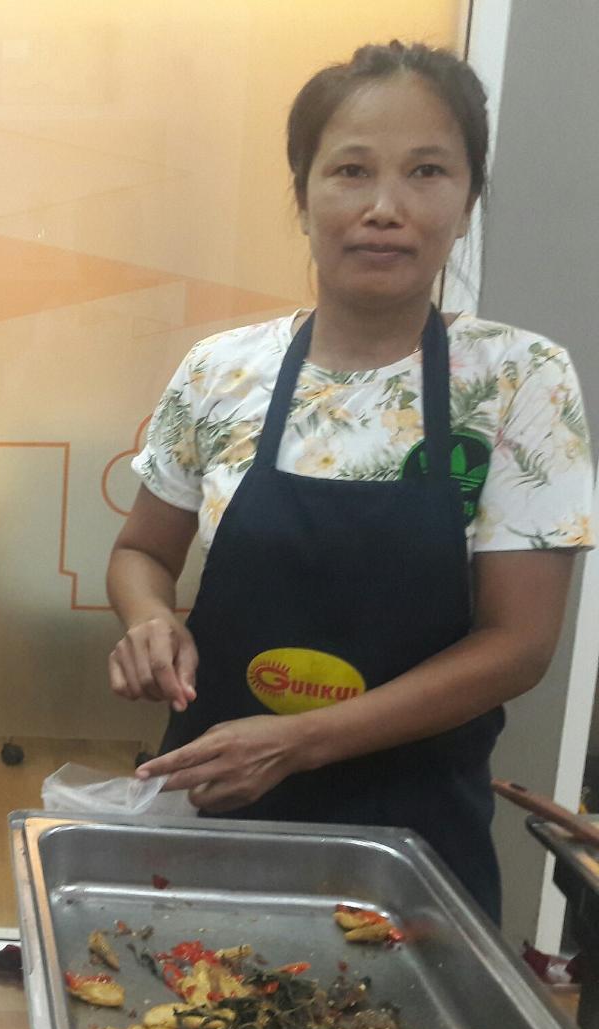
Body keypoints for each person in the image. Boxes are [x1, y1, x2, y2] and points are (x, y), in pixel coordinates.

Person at [106, 42, 593, 921]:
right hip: (214, 810)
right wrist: (148, 619)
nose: (384, 208)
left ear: (467, 201)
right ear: (303, 197)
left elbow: (519, 644)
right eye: (351, 171)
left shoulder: (520, 380)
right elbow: (141, 551)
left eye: (427, 171)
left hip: (413, 850)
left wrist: (300, 741)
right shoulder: (221, 372)